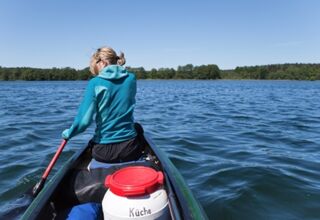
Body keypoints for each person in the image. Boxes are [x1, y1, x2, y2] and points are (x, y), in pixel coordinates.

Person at [62, 47, 143, 163]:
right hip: (130, 149)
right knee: (138, 127)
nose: (96, 73)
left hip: (104, 152)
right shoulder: (131, 78)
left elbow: (83, 122)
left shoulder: (95, 83)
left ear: (103, 62)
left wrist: (69, 133)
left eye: (95, 66)